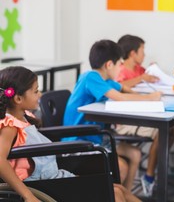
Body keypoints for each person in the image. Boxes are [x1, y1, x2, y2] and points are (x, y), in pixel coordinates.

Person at [0, 66, 140, 202]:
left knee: (118, 189)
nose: (40, 95)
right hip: (42, 186)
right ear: (18, 99)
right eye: (36, 91)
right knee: (114, 194)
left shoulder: (23, 117)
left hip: (53, 178)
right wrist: (27, 196)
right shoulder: (10, 126)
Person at [62, 39, 162, 191]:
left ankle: (124, 196)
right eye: (120, 64)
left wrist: (138, 94)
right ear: (109, 65)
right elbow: (120, 97)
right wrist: (150, 98)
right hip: (77, 141)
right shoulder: (90, 77)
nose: (121, 68)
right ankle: (114, 195)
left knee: (135, 154)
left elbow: (122, 88)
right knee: (121, 166)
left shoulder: (104, 79)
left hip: (95, 137)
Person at [116, 34, 174, 197]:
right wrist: (142, 77)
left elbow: (150, 80)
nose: (144, 54)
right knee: (164, 131)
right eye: (142, 50)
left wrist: (153, 71)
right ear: (132, 53)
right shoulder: (121, 71)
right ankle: (150, 175)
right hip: (129, 119)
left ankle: (153, 169)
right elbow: (118, 86)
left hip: (145, 114)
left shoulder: (139, 69)